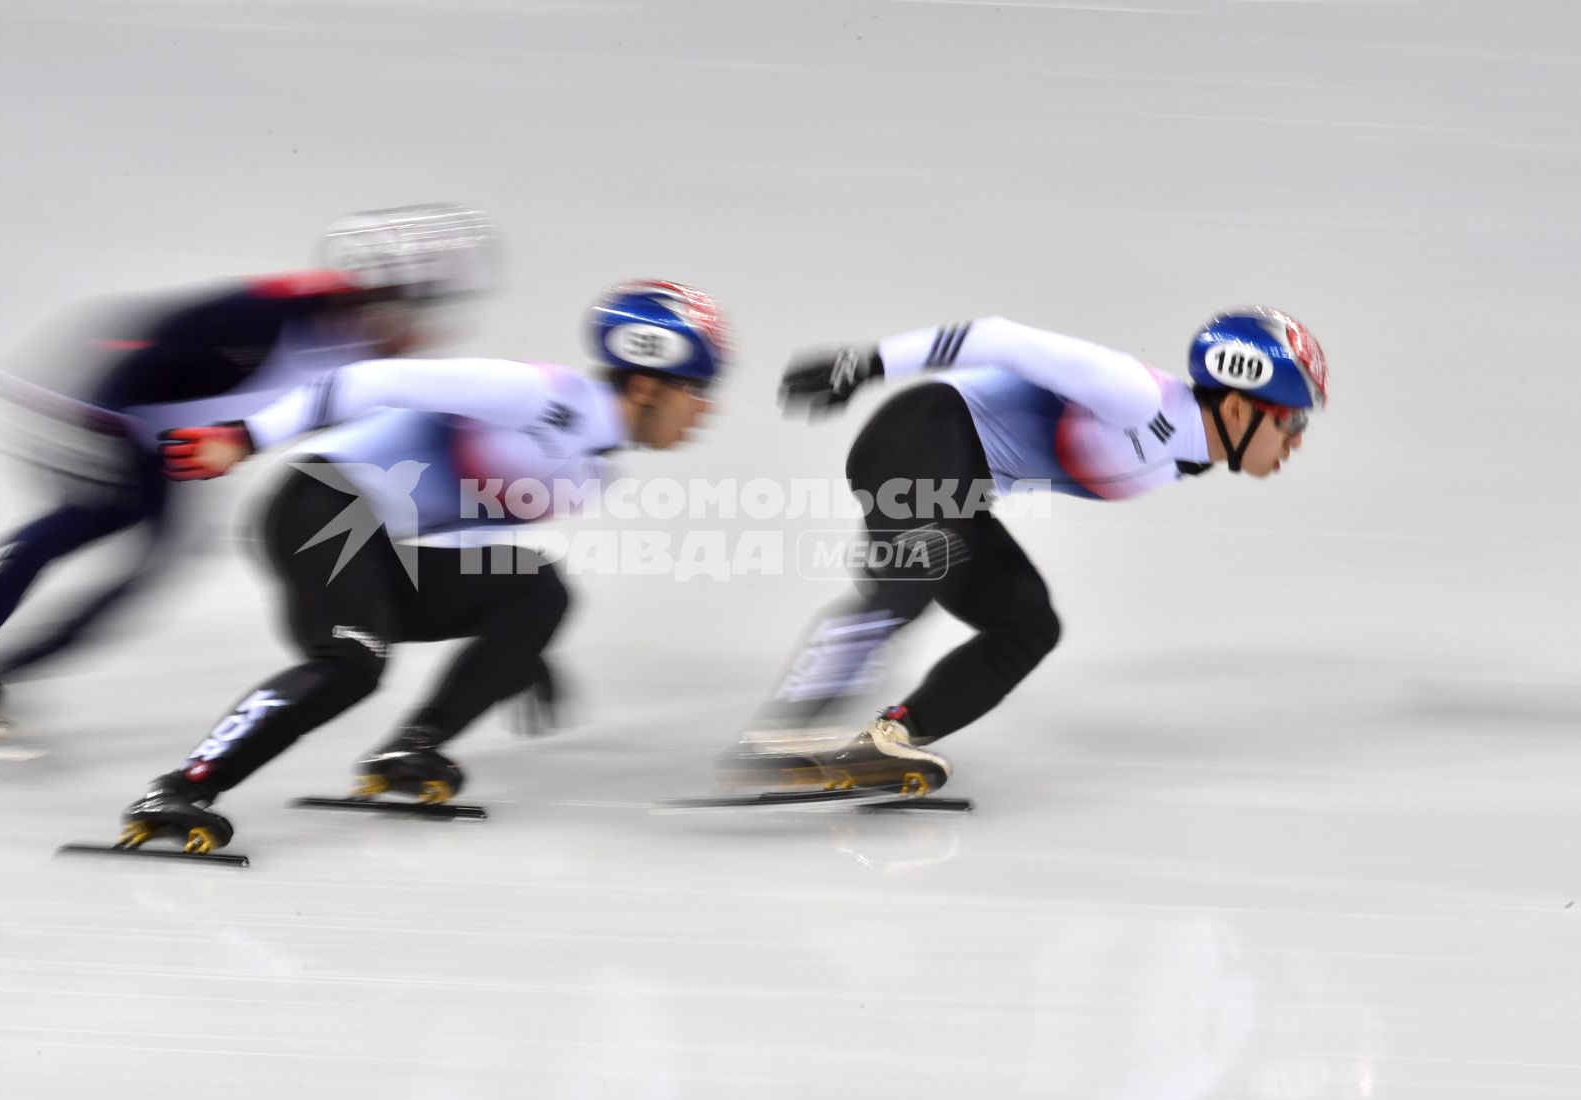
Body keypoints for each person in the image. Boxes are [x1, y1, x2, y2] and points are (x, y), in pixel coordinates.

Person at [114, 279, 729, 853]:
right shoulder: (541, 394)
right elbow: (368, 382)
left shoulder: (589, 474)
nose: (705, 411)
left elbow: (455, 542)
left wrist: (518, 649)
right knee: (352, 661)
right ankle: (183, 785)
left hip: (378, 541)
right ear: (647, 386)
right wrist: (247, 436)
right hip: (325, 505)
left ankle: (410, 750)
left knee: (536, 590)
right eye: (697, 390)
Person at [0, 205, 495, 726]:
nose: (421, 330)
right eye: (414, 309)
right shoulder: (259, 316)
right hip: (112, 417)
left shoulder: (364, 348)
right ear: (369, 297)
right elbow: (138, 340)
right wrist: (83, 417)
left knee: (150, 562)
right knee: (89, 520)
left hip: (166, 439)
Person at [730, 305, 1328, 797]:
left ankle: (892, 737)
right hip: (921, 434)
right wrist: (866, 363)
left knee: (1028, 625)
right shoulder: (1138, 396)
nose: (1297, 441)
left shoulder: (1184, 456)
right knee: (910, 583)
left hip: (960, 484)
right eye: (1293, 421)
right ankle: (780, 733)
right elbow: (1001, 339)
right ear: (1235, 407)